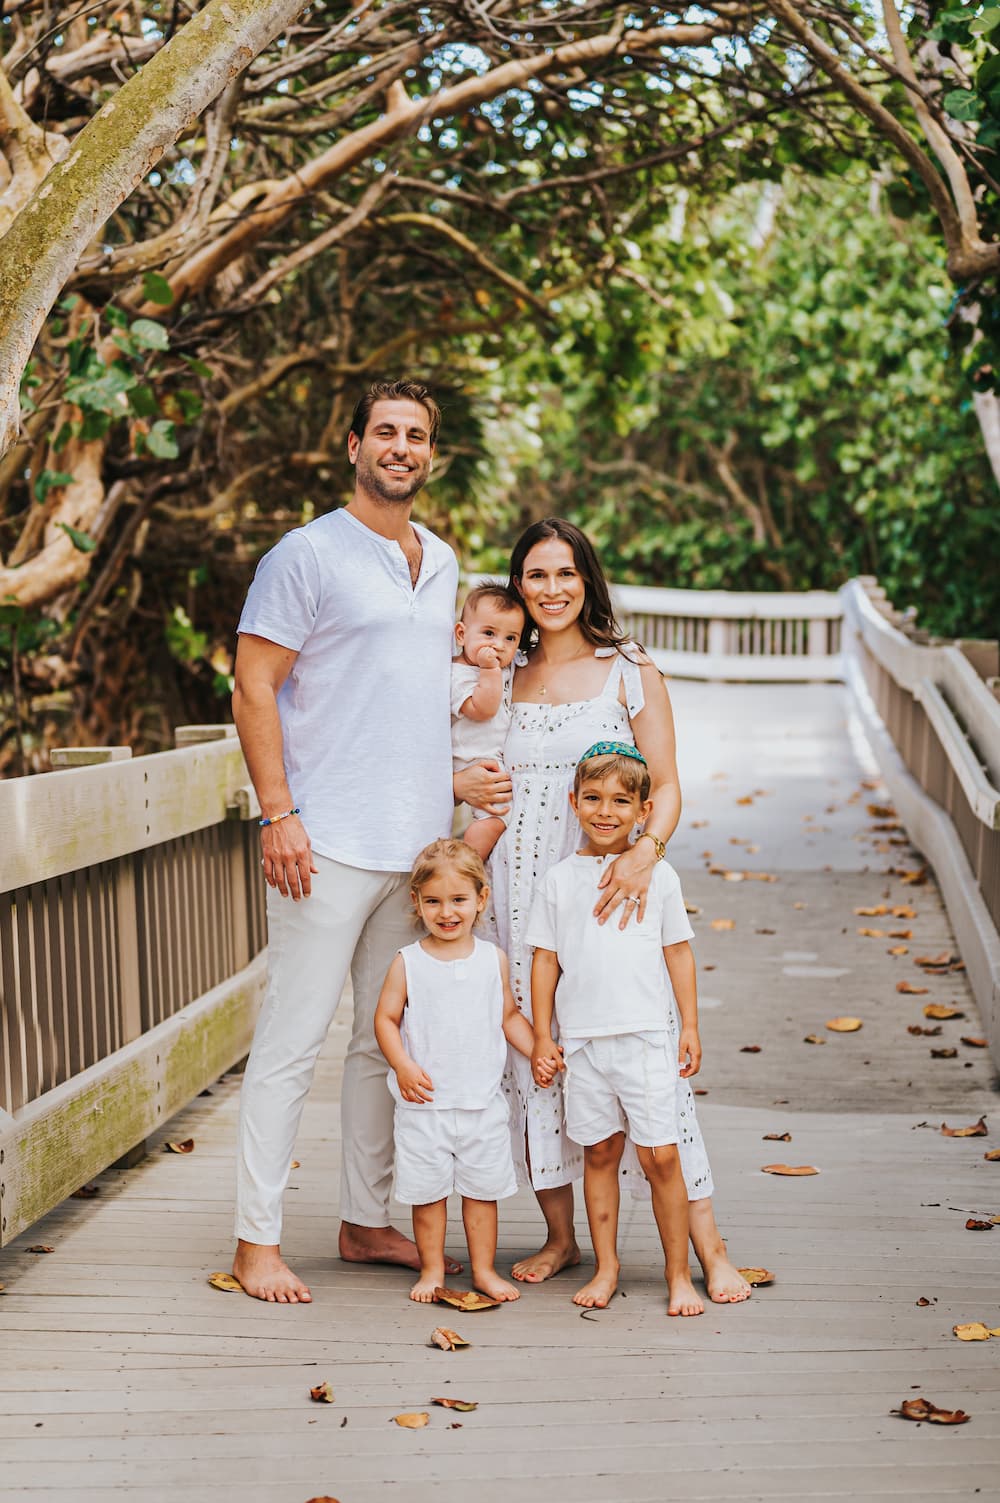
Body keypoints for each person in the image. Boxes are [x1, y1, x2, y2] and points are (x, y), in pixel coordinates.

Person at [453, 517, 750, 1304]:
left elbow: (669, 781)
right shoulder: (497, 673)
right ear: (517, 585)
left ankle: (710, 1248)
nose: (550, 590)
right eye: (535, 575)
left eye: (565, 573)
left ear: (588, 578)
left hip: (612, 892)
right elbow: (451, 761)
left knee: (651, 1074)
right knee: (538, 1059)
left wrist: (647, 847)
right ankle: (563, 1236)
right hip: (518, 897)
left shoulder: (629, 669)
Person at [230, 379, 459, 1303]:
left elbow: (412, 694)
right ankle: (256, 1240)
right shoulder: (306, 554)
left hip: (416, 852)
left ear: (429, 454)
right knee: (291, 1040)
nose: (400, 447)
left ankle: (366, 1220)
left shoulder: (439, 560)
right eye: (386, 433)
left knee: (380, 1042)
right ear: (354, 444)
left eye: (417, 436)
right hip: (322, 841)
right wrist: (278, 812)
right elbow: (253, 685)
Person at [529, 743, 705, 1316]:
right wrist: (541, 1034)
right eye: (594, 799)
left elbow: (678, 953)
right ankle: (606, 1266)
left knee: (661, 1158)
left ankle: (679, 1275)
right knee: (600, 1153)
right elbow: (546, 962)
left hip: (645, 1038)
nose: (605, 812)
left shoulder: (660, 876)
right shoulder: (558, 880)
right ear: (575, 802)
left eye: (620, 802)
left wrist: (690, 1027)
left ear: (643, 811)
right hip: (582, 1043)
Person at [374, 839, 560, 1303]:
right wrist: (402, 1064)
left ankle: (482, 1271)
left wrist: (540, 1046)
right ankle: (433, 1269)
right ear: (416, 902)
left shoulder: (490, 959)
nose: (447, 912)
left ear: (481, 899)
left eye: (459, 900)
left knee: (482, 1194)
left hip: (481, 1103)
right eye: (433, 901)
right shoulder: (408, 962)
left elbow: (508, 1015)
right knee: (428, 1195)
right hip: (425, 1106)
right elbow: (385, 1019)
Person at [451, 584, 525, 861]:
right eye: (489, 633)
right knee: (493, 821)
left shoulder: (498, 668)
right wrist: (491, 670)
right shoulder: (459, 674)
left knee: (498, 819)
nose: (499, 645)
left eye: (510, 638)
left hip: (489, 759)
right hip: (472, 761)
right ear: (461, 634)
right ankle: (465, 864)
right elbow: (482, 709)